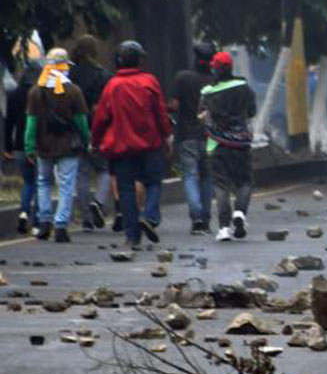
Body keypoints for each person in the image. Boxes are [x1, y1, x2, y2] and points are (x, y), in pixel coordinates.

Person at [91, 41, 171, 248]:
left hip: (121, 147)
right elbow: (160, 113)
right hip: (150, 144)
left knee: (126, 190)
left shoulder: (112, 86)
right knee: (153, 182)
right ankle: (150, 217)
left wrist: (95, 141)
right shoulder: (149, 82)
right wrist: (166, 137)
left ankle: (132, 236)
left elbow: (101, 118)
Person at [25, 49, 91, 242]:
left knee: (43, 182)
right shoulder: (73, 91)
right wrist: (86, 141)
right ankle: (61, 225)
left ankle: (44, 221)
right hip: (68, 146)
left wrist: (29, 146)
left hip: (43, 147)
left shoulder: (36, 91)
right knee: (66, 185)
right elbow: (81, 121)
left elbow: (31, 123)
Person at [198, 52, 257, 241]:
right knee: (245, 182)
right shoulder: (244, 87)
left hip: (217, 144)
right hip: (241, 143)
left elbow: (200, 115)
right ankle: (240, 212)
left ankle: (224, 228)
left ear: (215, 69)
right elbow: (252, 112)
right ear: (231, 68)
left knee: (221, 185)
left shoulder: (207, 92)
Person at [170, 42, 216, 234]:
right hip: (211, 137)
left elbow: (174, 105)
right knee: (207, 177)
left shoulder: (182, 78)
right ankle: (204, 219)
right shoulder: (215, 81)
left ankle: (196, 216)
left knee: (190, 175)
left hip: (186, 135)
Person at [67, 35, 109, 231]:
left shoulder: (69, 75)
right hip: (97, 128)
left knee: (81, 174)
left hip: (74, 129)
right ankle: (98, 202)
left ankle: (86, 217)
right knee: (104, 170)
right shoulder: (101, 75)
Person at [5, 60, 39, 234]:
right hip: (38, 145)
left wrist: (7, 146)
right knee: (41, 183)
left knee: (28, 182)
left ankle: (24, 211)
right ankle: (38, 222)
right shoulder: (40, 94)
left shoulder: (14, 95)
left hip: (18, 145)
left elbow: (9, 122)